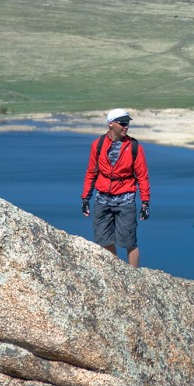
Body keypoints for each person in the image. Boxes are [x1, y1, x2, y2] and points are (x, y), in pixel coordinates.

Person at [81, 108, 150, 268]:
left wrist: (145, 203)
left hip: (125, 199)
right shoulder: (97, 145)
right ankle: (117, 271)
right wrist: (85, 198)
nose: (126, 126)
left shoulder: (134, 147)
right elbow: (91, 172)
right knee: (103, 240)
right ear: (111, 124)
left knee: (129, 241)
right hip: (102, 198)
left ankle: (134, 277)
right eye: (122, 123)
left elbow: (142, 176)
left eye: (127, 123)